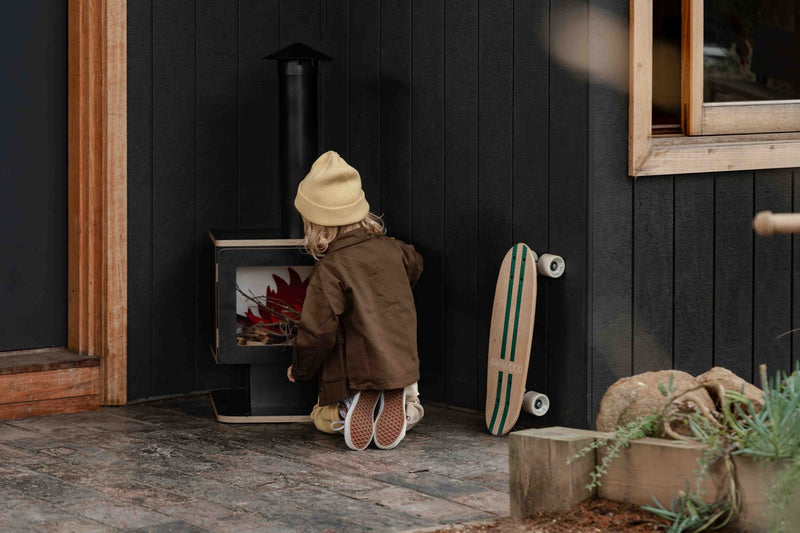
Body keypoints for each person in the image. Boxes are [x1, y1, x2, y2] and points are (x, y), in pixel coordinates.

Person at [286, 151, 424, 451]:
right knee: (410, 398)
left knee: (320, 418)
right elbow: (416, 264)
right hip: (403, 362)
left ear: (316, 224)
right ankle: (405, 405)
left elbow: (318, 332)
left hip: (358, 368)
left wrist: (300, 369)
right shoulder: (394, 249)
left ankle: (347, 409)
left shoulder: (331, 268)